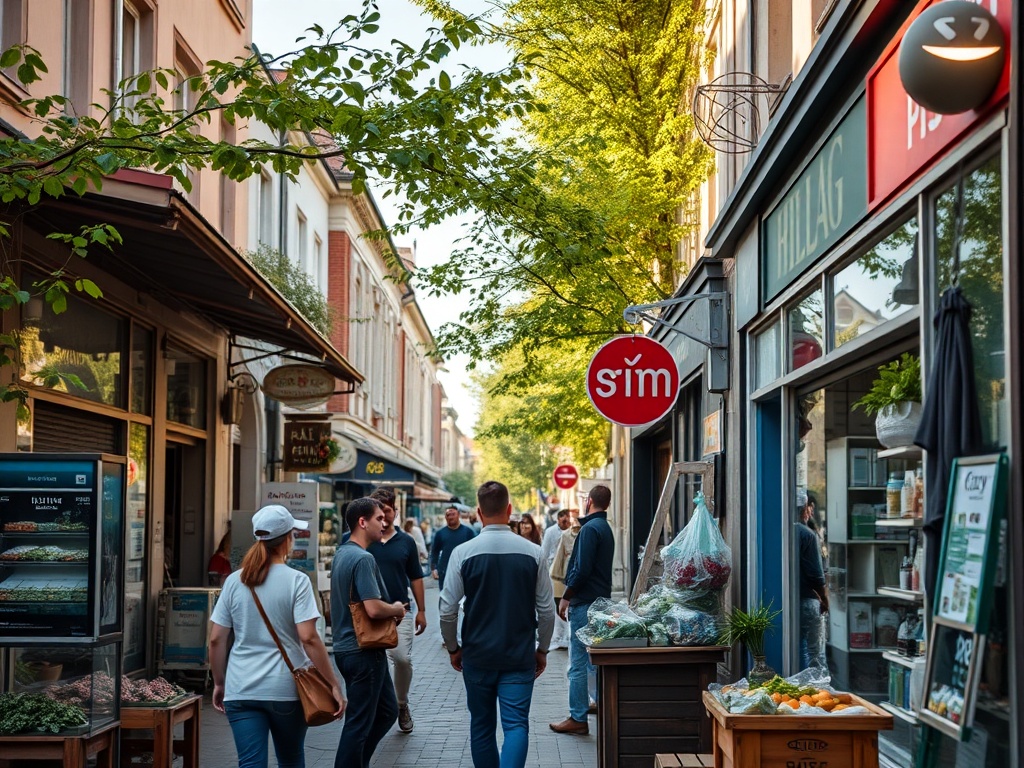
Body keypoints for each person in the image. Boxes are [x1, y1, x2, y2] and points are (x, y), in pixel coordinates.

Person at [209, 505, 344, 768]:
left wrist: (219, 683)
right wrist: (333, 683)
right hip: (286, 689)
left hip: (241, 688)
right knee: (291, 759)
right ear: (287, 539)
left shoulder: (235, 581)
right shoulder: (297, 580)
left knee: (250, 763)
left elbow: (216, 639)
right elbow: (309, 638)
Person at [439, 480, 555, 768]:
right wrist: (542, 649)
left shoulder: (462, 553)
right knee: (516, 725)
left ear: (479, 512)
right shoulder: (533, 553)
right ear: (510, 510)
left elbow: (447, 610)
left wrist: (453, 647)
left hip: (477, 654)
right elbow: (547, 610)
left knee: (481, 725)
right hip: (519, 654)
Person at [331, 498, 407, 768]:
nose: (384, 523)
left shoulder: (342, 553)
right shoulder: (362, 558)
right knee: (358, 724)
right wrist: (396, 609)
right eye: (378, 518)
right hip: (363, 651)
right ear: (362, 522)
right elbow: (373, 609)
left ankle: (358, 762)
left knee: (387, 711)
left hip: (348, 649)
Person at [551, 485, 614, 736]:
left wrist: (566, 596)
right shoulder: (604, 528)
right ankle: (596, 702)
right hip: (598, 602)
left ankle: (577, 717)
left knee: (577, 663)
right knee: (591, 661)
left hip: (585, 603)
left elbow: (581, 569)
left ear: (589, 501)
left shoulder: (589, 529)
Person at [367, 488, 427, 734]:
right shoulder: (361, 539)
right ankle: (375, 710)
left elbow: (416, 577)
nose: (383, 515)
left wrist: (422, 610)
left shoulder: (406, 542)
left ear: (395, 511)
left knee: (402, 658)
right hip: (367, 614)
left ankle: (401, 704)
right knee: (371, 665)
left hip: (399, 612)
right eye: (378, 511)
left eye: (388, 510)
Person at [797, 490, 828, 670]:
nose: (811, 512)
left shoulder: (782, 530)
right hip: (808, 602)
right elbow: (816, 576)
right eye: (810, 507)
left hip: (788, 602)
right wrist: (825, 600)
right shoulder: (807, 534)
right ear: (804, 509)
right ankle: (817, 690)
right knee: (814, 653)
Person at [541, 509, 573, 650]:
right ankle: (559, 636)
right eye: (563, 520)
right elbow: (545, 552)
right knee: (557, 602)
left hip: (568, 572)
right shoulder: (550, 532)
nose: (566, 522)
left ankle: (566, 636)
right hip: (554, 572)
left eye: (568, 519)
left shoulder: (573, 532)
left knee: (566, 602)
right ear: (558, 519)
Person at [430, 504, 476, 589]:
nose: (450, 517)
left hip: (464, 571)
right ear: (445, 517)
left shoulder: (468, 532)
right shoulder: (440, 533)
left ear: (458, 515)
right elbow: (434, 552)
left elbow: (475, 550)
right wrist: (434, 568)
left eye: (453, 514)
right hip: (445, 571)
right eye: (448, 515)